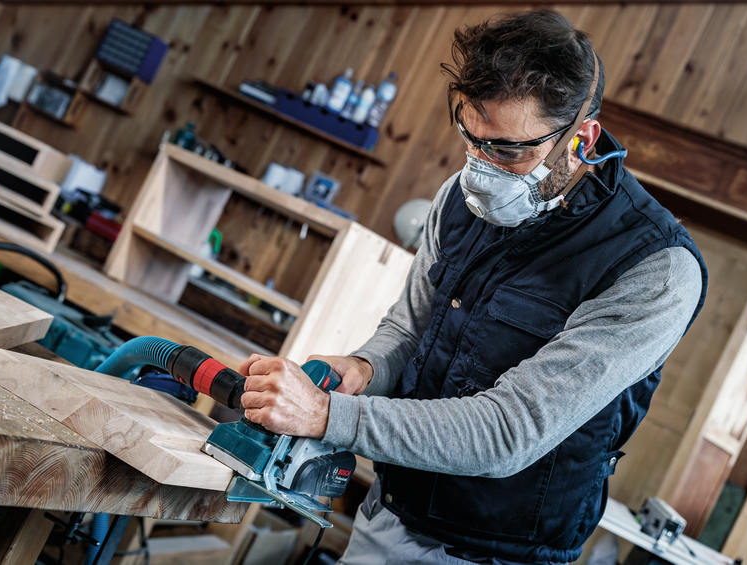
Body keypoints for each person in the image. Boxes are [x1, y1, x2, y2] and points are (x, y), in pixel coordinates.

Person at [238, 9, 707, 565]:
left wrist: (326, 415)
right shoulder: (460, 199)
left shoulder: (654, 268)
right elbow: (410, 329)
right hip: (392, 510)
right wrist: (366, 368)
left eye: (508, 150)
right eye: (471, 137)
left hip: (496, 553)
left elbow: (510, 431)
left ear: (581, 139)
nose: (482, 167)